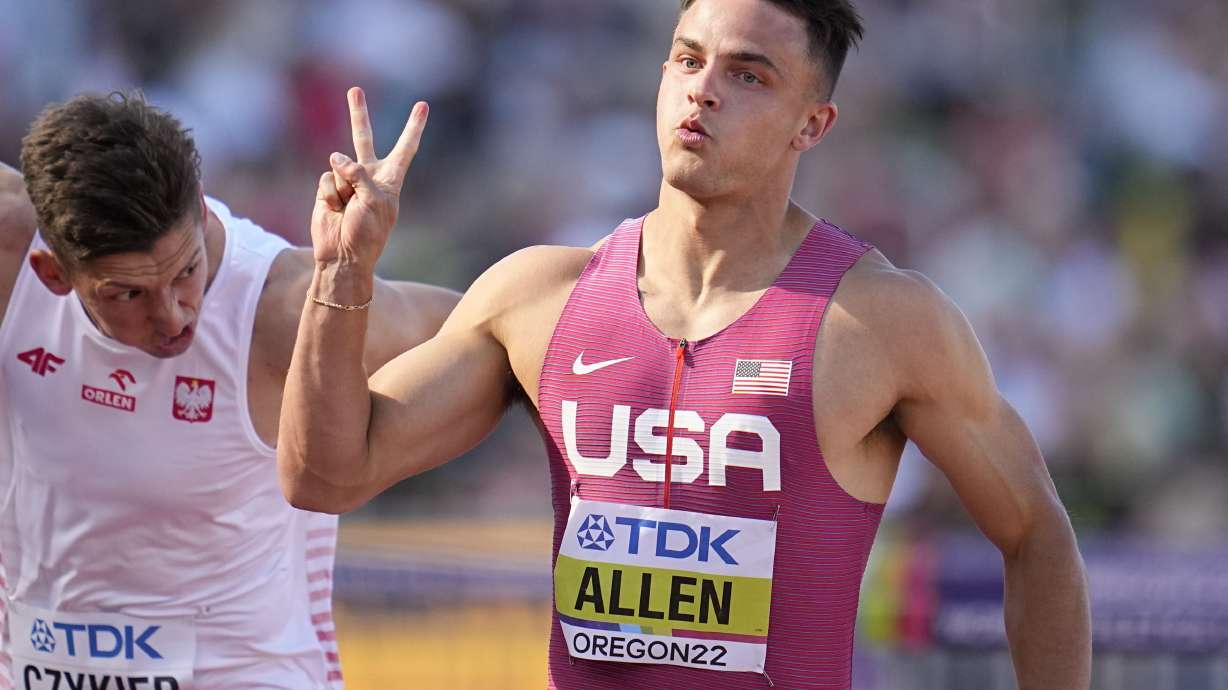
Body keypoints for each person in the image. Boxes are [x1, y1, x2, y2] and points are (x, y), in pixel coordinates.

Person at [278, 0, 1092, 687]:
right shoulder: (537, 297)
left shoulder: (881, 322)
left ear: (813, 124)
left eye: (748, 74)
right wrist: (341, 273)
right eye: (687, 60)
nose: (702, 91)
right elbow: (324, 474)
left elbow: (1038, 535)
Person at [0, 93, 458, 689]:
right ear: (53, 273)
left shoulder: (283, 307)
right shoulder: (12, 253)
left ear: (199, 210)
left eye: (186, 272)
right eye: (128, 296)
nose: (172, 318)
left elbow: (495, 331)